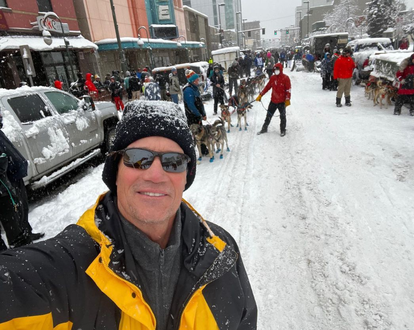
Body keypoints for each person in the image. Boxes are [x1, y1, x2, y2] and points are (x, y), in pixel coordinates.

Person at [0, 100, 258, 329]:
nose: (156, 175)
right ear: (115, 173)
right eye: (137, 159)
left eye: (173, 162)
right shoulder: (62, 271)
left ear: (185, 176)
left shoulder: (222, 252)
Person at [0, 112, 44, 251]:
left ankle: (26, 234)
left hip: (13, 176)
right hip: (6, 180)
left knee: (22, 207)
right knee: (13, 214)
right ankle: (20, 247)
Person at [256, 63, 291, 137]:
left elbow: (288, 90)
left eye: (277, 69)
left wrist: (287, 99)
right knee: (268, 115)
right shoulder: (273, 78)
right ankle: (264, 128)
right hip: (273, 101)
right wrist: (260, 95)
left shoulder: (286, 78)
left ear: (280, 70)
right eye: (275, 70)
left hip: (282, 102)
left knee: (282, 116)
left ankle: (282, 130)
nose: (276, 71)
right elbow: (267, 87)